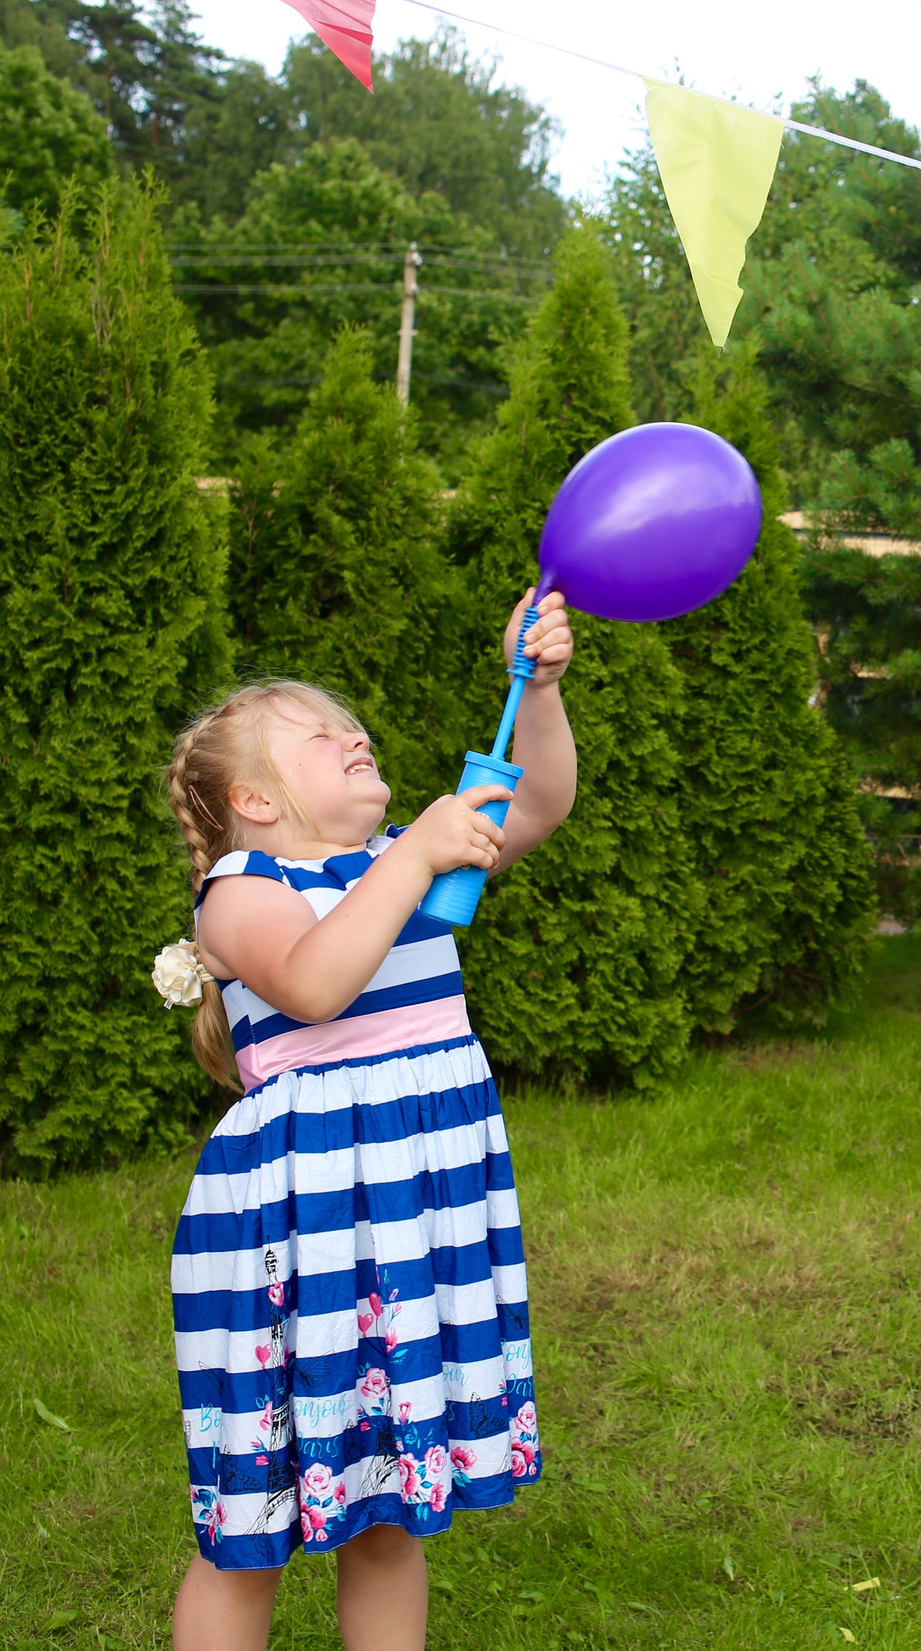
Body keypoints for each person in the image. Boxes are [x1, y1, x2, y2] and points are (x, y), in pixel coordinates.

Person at [156, 590, 576, 1651]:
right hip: (295, 1251)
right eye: (318, 733)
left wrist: (541, 694)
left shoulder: (408, 865)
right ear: (252, 800)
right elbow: (311, 984)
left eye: (354, 727)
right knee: (246, 1532)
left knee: (389, 1518)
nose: (354, 735)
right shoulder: (238, 889)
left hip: (410, 1231)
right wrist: (415, 853)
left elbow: (536, 809)